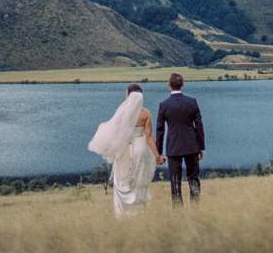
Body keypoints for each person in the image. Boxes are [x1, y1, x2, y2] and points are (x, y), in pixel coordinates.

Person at [88, 83, 165, 217]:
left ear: (128, 96)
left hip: (124, 149)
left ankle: (123, 214)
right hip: (141, 148)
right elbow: (149, 136)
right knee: (139, 179)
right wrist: (158, 156)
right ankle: (139, 212)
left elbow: (115, 132)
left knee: (122, 180)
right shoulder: (145, 113)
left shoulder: (121, 112)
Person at [156, 72, 205, 207]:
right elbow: (199, 126)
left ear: (169, 85)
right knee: (194, 179)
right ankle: (196, 209)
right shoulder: (192, 102)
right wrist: (201, 147)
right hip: (192, 146)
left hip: (173, 147)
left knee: (175, 181)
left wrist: (159, 153)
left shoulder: (164, 105)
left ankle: (178, 213)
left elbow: (160, 130)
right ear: (183, 85)